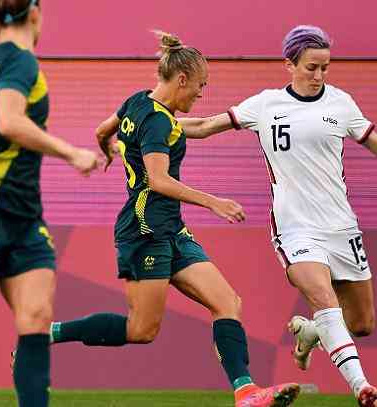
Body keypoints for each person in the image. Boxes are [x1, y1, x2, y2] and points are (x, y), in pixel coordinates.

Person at [179, 25, 377, 407]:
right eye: (311, 67)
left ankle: (311, 334)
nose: (319, 75)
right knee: (321, 295)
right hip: (295, 227)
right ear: (289, 64)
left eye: (325, 67)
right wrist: (146, 126)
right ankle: (362, 388)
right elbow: (203, 126)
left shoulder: (340, 103)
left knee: (362, 323)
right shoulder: (265, 105)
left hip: (341, 227)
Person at [42, 31, 300, 407]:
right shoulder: (159, 124)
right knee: (141, 329)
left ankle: (246, 393)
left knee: (227, 302)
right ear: (182, 79)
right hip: (143, 231)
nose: (200, 93)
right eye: (200, 85)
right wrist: (214, 202)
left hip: (171, 229)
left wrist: (111, 150)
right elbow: (159, 181)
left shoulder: (138, 102)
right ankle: (46, 332)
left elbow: (102, 131)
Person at [0, 1, 99, 406]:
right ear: (35, 14)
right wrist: (72, 153)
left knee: (36, 316)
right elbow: (9, 122)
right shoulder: (20, 62)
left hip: (23, 216)